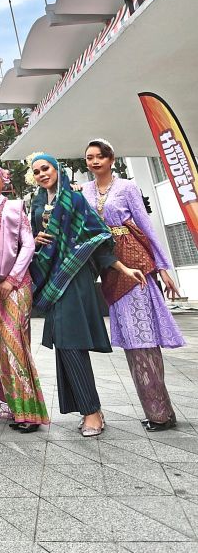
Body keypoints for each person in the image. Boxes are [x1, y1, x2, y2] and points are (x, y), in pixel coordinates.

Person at [29, 152, 146, 437]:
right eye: (37, 171)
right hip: (50, 279)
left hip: (75, 275)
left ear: (56, 169)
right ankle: (88, 408)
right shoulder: (35, 204)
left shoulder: (75, 199)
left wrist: (122, 268)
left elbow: (98, 235)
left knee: (70, 341)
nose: (42, 174)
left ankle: (92, 412)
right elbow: (30, 241)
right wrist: (34, 240)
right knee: (65, 343)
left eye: (46, 168)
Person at [82, 139, 185, 431]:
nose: (94, 162)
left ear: (111, 158)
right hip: (110, 267)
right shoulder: (85, 191)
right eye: (89, 158)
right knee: (131, 342)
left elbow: (145, 224)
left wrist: (163, 267)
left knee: (143, 339)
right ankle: (158, 412)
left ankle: (161, 414)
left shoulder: (127, 187)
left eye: (99, 157)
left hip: (136, 266)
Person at [0, 162, 49, 433]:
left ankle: (30, 413)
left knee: (15, 343)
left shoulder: (15, 207)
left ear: (3, 179)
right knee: (1, 350)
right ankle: (17, 409)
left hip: (16, 285)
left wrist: (12, 279)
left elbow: (28, 244)